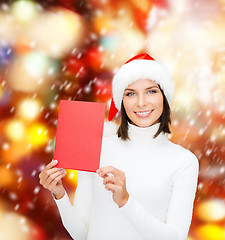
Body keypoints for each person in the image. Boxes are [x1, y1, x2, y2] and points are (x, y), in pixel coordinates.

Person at [39, 53, 199, 240]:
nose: (141, 102)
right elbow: (83, 234)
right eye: (131, 93)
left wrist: (125, 202)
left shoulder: (183, 161)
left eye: (151, 91)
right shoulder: (98, 145)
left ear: (164, 96)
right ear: (121, 100)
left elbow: (175, 237)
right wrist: (60, 195)